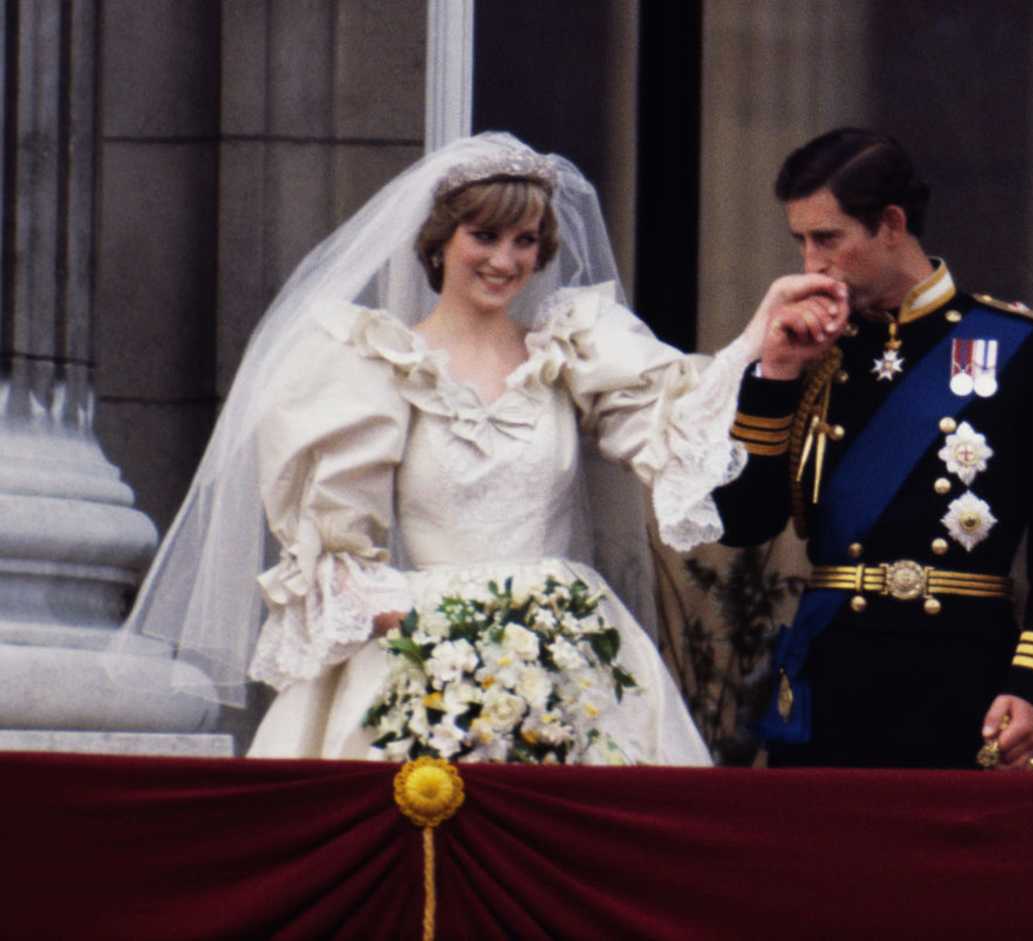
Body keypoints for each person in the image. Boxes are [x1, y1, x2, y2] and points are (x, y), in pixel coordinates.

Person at [111, 132, 845, 765]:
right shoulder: (373, 364)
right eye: (484, 237)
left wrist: (759, 343)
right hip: (424, 652)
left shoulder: (572, 350)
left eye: (525, 241)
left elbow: (679, 423)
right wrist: (444, 640)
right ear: (439, 243)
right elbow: (338, 551)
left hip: (574, 651)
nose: (506, 260)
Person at [713, 127, 1033, 770]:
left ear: (891, 223)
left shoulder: (1023, 350)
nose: (810, 264)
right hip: (831, 683)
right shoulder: (809, 352)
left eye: (827, 238)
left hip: (963, 683)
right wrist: (774, 376)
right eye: (801, 241)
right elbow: (741, 522)